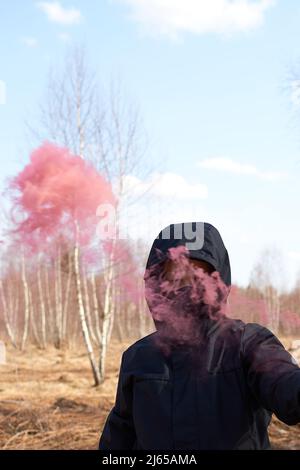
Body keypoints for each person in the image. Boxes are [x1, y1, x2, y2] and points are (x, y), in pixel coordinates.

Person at [99, 222, 300, 450]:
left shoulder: (248, 342)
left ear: (219, 282)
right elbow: (119, 436)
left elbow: (285, 384)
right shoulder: (139, 357)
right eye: (176, 275)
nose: (188, 287)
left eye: (199, 275)